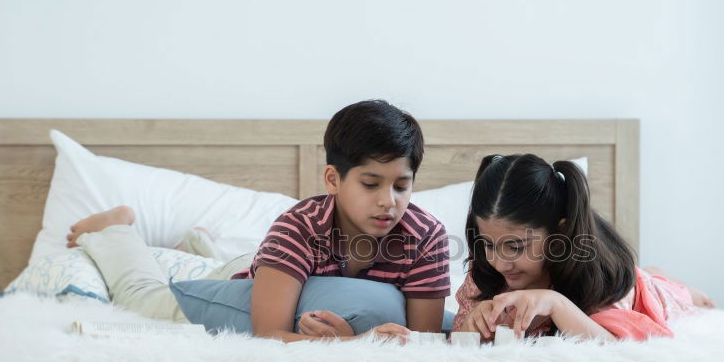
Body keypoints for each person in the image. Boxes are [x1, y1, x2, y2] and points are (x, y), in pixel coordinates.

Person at [67, 100, 450, 343]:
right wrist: (352, 344)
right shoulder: (298, 228)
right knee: (145, 299)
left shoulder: (426, 237)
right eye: (370, 184)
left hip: (270, 268)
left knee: (226, 263)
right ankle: (113, 228)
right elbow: (268, 334)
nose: (388, 202)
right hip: (254, 282)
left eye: (402, 186)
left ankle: (198, 246)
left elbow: (423, 341)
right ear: (333, 179)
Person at [452, 154, 715, 342]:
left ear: (560, 234)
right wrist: (472, 327)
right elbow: (457, 341)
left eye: (515, 247)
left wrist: (556, 304)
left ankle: (669, 283)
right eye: (488, 244)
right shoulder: (486, 269)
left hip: (638, 288)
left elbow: (618, 349)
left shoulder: (599, 274)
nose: (499, 263)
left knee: (670, 294)